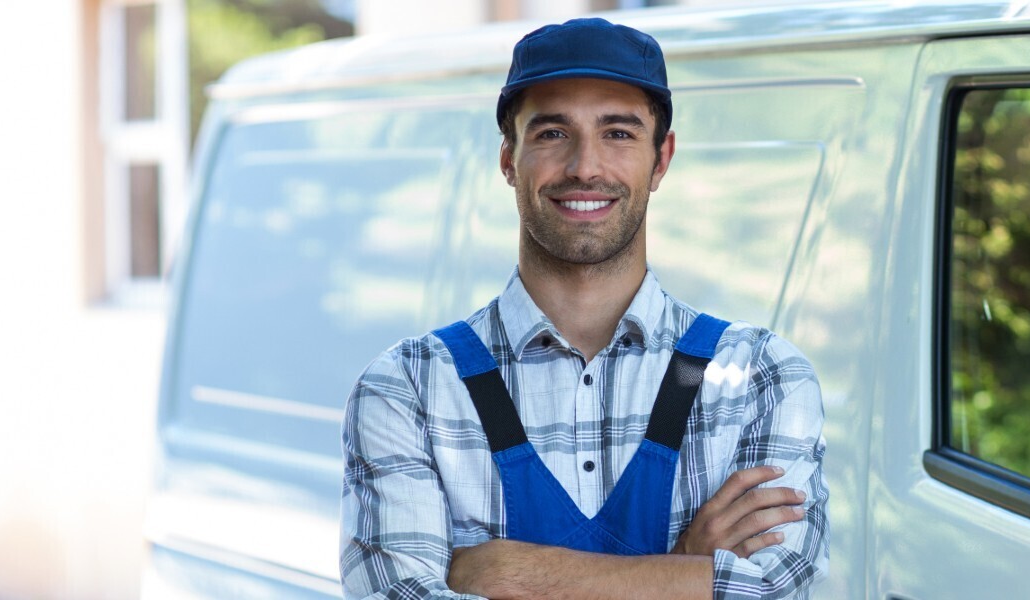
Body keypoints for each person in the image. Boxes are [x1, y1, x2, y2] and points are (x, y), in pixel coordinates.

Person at [339, 18, 828, 599]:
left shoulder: (761, 378)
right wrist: (684, 573)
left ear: (661, 159)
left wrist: (505, 572)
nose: (585, 167)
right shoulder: (409, 388)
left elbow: (779, 592)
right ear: (507, 159)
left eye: (618, 133)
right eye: (551, 134)